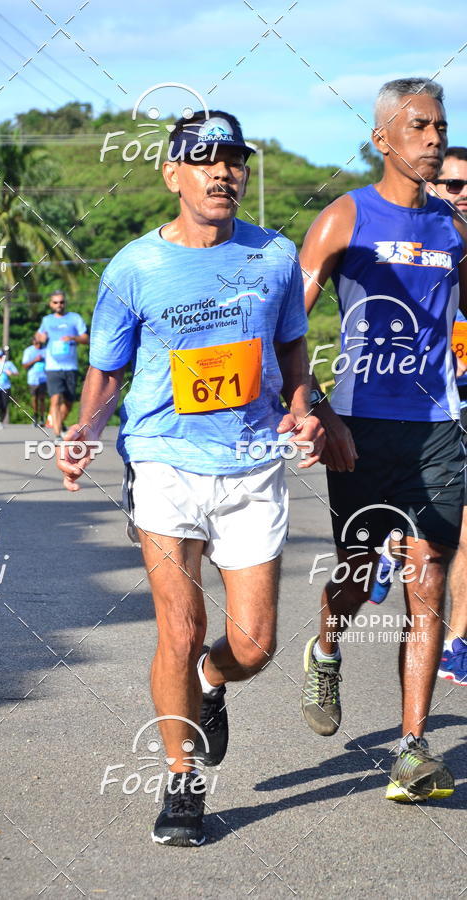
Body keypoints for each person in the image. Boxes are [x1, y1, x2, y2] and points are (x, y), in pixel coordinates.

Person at [56, 109, 324, 846]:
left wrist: (303, 411)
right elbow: (107, 372)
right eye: (204, 160)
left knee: (256, 646)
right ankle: (181, 781)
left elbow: (292, 354)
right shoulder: (134, 267)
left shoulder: (274, 255)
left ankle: (212, 682)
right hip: (165, 461)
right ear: (173, 173)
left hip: (250, 466)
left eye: (233, 160)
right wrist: (84, 431)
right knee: (180, 626)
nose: (222, 172)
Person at [300, 78, 467, 802]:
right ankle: (327, 644)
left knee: (424, 579)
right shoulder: (345, 217)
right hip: (361, 425)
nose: (434, 139)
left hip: (437, 427)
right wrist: (306, 403)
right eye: (420, 127)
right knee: (357, 572)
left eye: (441, 126)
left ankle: (411, 749)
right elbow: (286, 323)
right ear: (384, 140)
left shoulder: (455, 229)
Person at [428, 146, 467, 685]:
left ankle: (458, 640)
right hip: (420, 408)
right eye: (450, 184)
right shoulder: (411, 248)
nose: (461, 193)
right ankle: (390, 545)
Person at [37, 291, 89, 439]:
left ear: (65, 303)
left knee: (69, 401)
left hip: (70, 366)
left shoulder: (74, 318)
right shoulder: (47, 320)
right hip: (52, 366)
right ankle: (58, 434)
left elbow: (86, 338)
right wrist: (40, 338)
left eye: (61, 302)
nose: (59, 305)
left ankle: (59, 422)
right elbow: (39, 336)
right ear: (50, 304)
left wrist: (73, 337)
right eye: (55, 302)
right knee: (55, 398)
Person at [21, 334, 47, 427]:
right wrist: (35, 360)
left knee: (42, 398)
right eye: (36, 343)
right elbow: (24, 365)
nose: (38, 345)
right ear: (33, 342)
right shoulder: (28, 351)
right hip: (33, 378)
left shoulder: (46, 350)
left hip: (44, 377)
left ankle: (42, 417)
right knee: (34, 398)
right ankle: (35, 416)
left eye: (39, 343)